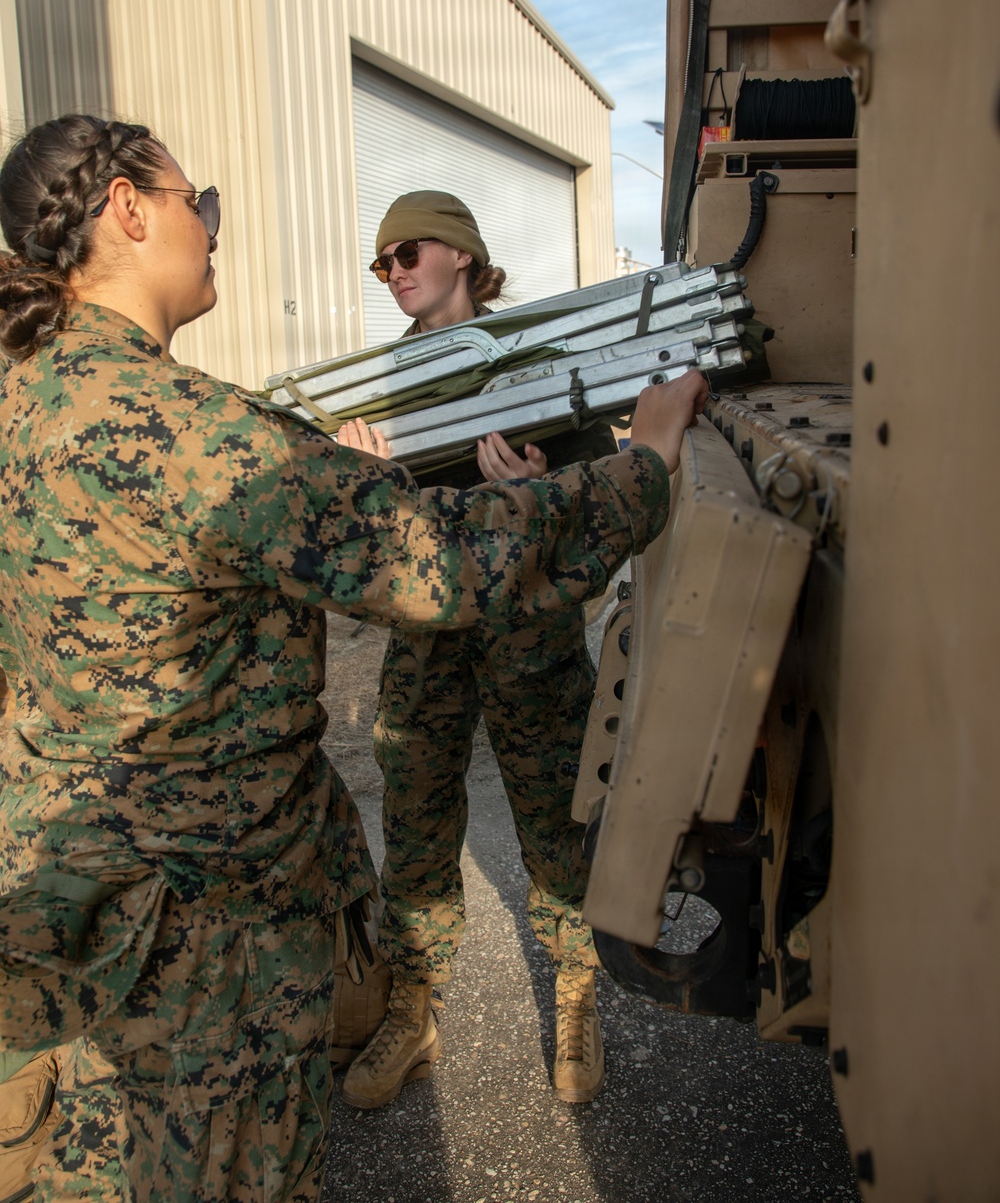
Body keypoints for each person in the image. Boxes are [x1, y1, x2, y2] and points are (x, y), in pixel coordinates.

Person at [0, 118, 707, 1202]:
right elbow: (446, 561)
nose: (214, 229)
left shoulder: (22, 404)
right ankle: (406, 1006)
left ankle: (566, 996)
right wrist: (645, 466)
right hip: (205, 939)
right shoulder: (203, 436)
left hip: (68, 906)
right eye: (204, 204)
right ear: (131, 213)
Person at [335, 191, 619, 1110]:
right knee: (415, 819)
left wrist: (542, 492)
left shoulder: (537, 367)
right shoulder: (379, 396)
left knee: (554, 814)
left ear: (462, 254)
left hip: (529, 631)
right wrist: (372, 488)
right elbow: (361, 544)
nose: (393, 271)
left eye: (406, 251)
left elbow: (607, 500)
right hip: (429, 639)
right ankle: (415, 1006)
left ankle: (577, 993)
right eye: (381, 264)